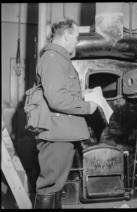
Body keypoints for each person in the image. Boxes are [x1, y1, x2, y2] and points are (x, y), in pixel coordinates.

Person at [33, 18, 98, 209]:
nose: (76, 42)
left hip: (61, 131)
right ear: (67, 34)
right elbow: (56, 99)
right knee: (49, 185)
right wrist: (87, 107)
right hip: (57, 132)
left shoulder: (59, 58)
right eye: (76, 37)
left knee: (56, 185)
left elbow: (59, 93)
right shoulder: (53, 58)